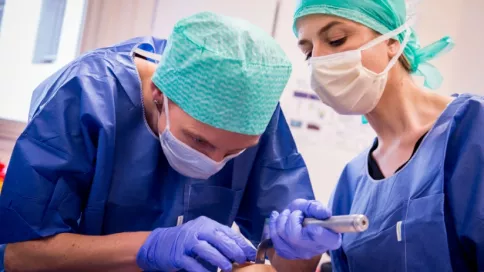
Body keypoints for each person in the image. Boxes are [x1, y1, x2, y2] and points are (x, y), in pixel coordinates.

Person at [0, 12, 340, 272]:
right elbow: (17, 255)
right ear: (158, 94)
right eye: (199, 141)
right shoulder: (86, 96)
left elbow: (286, 265)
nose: (215, 163)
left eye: (236, 152)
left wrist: (303, 247)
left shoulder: (253, 115)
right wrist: (148, 246)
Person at [289, 0, 484, 271]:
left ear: (391, 39)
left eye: (336, 40)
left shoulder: (473, 128)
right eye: (309, 52)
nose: (320, 61)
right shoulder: (353, 181)